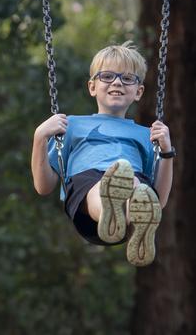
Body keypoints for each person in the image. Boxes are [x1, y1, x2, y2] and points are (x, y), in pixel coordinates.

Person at [31, 41, 174, 266]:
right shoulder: (71, 125)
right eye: (107, 76)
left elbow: (160, 199)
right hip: (86, 192)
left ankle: (135, 220)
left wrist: (166, 151)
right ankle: (110, 209)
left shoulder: (147, 134)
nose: (117, 81)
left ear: (138, 92)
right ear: (92, 87)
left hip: (132, 186)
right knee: (103, 185)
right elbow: (43, 186)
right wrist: (40, 137)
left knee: (137, 185)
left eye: (127, 78)